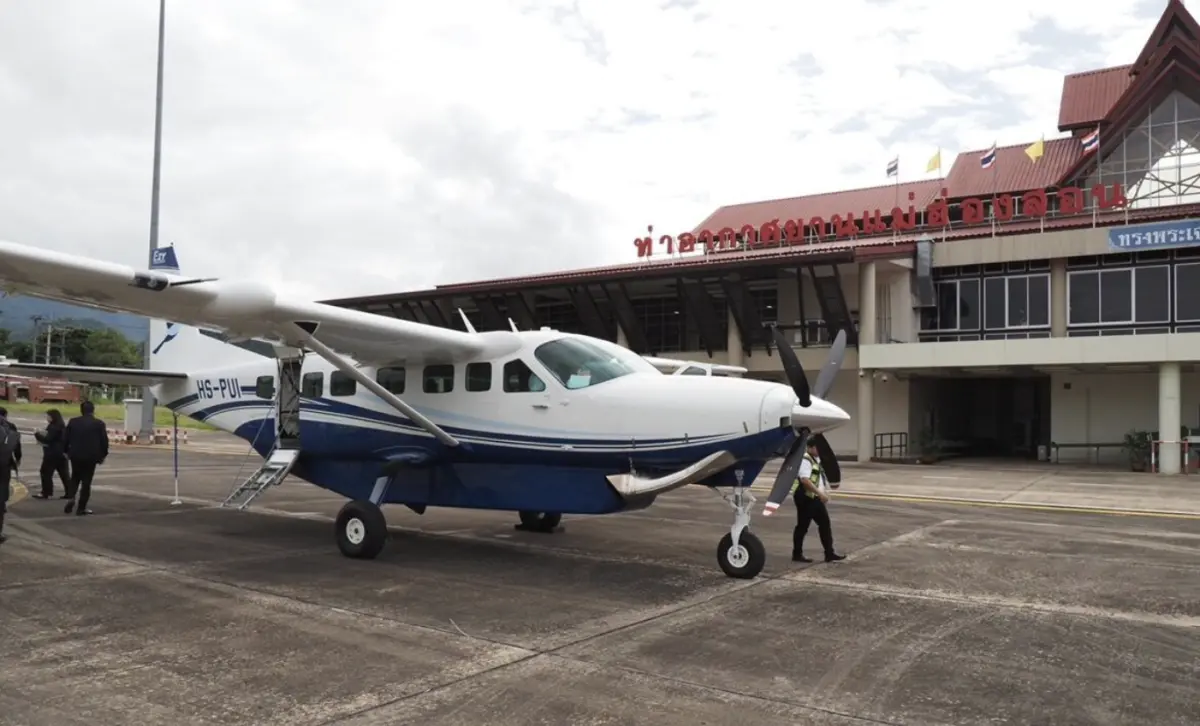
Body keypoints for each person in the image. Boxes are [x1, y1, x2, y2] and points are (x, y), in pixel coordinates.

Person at [791, 435, 845, 563]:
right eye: (817, 448)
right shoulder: (806, 460)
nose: (819, 451)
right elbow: (805, 480)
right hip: (806, 498)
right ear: (811, 448)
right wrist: (820, 494)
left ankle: (829, 553)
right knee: (803, 526)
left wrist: (823, 492)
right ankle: (797, 554)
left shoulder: (815, 460)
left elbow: (817, 479)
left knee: (824, 524)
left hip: (813, 497)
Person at [63, 400, 108, 516]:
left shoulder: (73, 422)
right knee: (86, 482)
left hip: (76, 455)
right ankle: (81, 507)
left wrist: (66, 451)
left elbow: (65, 438)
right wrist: (103, 455)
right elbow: (104, 441)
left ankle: (71, 497)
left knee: (75, 477)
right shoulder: (99, 424)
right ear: (93, 410)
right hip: (91, 456)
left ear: (81, 410)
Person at [33, 409, 71, 500]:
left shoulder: (53, 427)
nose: (47, 418)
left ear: (53, 417)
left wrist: (37, 434)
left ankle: (46, 492)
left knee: (45, 473)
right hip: (62, 454)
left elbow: (48, 439)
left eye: (48, 416)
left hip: (52, 454)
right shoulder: (62, 426)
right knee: (64, 474)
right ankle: (70, 492)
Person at [0, 407, 23, 544]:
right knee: (1, 497)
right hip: (4, 467)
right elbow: (17, 447)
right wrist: (18, 459)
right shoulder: (10, 427)